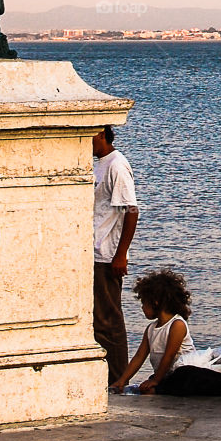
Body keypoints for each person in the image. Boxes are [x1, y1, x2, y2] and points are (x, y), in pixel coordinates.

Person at [111, 268, 221, 396]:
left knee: (182, 374)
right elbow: (139, 357)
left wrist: (156, 380)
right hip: (167, 375)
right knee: (151, 384)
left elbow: (169, 356)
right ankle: (161, 386)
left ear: (155, 302)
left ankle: (162, 388)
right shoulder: (150, 329)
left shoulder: (177, 325)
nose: (142, 307)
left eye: (144, 303)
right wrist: (122, 380)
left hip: (186, 373)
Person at [92, 126, 139, 384]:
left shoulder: (116, 165)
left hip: (107, 254)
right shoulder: (99, 164)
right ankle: (104, 375)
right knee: (98, 318)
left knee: (109, 320)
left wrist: (120, 255)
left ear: (101, 133)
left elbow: (131, 211)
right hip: (94, 251)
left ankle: (119, 378)